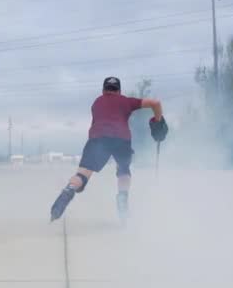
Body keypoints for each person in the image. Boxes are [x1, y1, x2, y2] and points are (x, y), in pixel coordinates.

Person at [50, 76, 168, 222]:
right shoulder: (126, 100)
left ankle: (69, 189)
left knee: (83, 174)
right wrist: (158, 120)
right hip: (122, 139)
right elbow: (155, 103)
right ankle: (122, 200)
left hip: (98, 138)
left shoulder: (97, 103)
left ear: (103, 90)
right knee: (124, 170)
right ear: (119, 90)